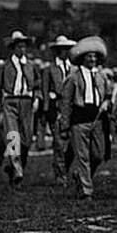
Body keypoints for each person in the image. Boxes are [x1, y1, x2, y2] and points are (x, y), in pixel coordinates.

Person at [59, 37, 109, 199]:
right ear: (82, 58)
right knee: (82, 156)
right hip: (79, 120)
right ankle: (87, 191)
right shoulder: (73, 78)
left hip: (97, 120)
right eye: (89, 56)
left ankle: (81, 177)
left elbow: (107, 95)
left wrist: (107, 102)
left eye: (95, 56)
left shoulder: (102, 77)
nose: (92, 59)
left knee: (98, 155)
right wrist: (65, 125)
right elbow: (66, 102)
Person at [0, 31, 38, 186]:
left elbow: (37, 84)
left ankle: (15, 168)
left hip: (27, 102)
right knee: (13, 136)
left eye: (24, 46)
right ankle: (17, 169)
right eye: (19, 46)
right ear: (13, 48)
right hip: (10, 102)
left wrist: (37, 97)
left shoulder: (31, 65)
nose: (22, 50)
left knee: (26, 140)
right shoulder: (5, 66)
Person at [41, 35, 76, 185]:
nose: (65, 52)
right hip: (56, 109)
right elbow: (45, 90)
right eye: (62, 50)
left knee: (73, 144)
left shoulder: (74, 69)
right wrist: (47, 110)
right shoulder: (50, 69)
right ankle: (60, 175)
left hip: (72, 109)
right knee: (59, 143)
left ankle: (64, 168)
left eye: (67, 49)